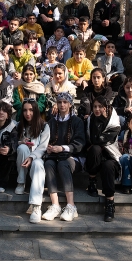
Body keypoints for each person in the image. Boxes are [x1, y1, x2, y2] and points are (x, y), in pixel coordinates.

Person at [41, 92, 85, 222]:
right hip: (55, 156)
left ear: (70, 104)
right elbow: (46, 140)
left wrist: (63, 148)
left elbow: (79, 143)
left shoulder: (77, 122)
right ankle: (55, 205)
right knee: (48, 164)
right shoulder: (51, 122)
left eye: (65, 102)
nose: (62, 105)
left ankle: (71, 205)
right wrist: (49, 147)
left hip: (72, 157)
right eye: (59, 102)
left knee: (63, 163)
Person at [84, 96, 121, 222]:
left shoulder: (114, 121)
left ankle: (110, 202)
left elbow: (105, 139)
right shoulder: (91, 120)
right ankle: (92, 181)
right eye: (95, 107)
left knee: (108, 166)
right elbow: (93, 141)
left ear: (106, 107)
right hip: (96, 156)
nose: (97, 109)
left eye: (100, 106)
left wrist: (98, 139)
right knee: (95, 149)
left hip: (111, 155)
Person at [17, 100, 51, 223]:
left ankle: (36, 206)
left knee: (37, 164)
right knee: (21, 148)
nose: (28, 113)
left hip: (38, 159)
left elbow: (43, 147)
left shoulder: (44, 126)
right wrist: (21, 142)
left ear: (36, 111)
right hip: (24, 157)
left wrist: (32, 156)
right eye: (25, 110)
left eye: (31, 110)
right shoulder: (19, 125)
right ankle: (21, 182)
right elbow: (13, 142)